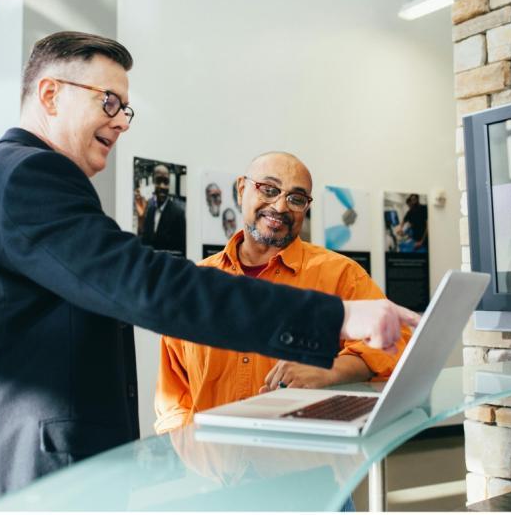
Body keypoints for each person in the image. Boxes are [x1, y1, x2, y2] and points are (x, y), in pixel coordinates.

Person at [0, 31, 419, 511]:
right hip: (12, 479)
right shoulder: (29, 176)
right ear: (49, 95)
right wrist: (334, 319)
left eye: (125, 109)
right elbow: (148, 286)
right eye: (108, 101)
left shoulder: (14, 178)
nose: (121, 121)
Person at [154, 152, 412, 434]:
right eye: (269, 189)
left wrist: (329, 370)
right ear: (242, 189)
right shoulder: (196, 285)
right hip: (215, 468)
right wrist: (191, 457)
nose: (280, 206)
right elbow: (173, 397)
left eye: (296, 198)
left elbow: (397, 344)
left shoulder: (341, 275)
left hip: (305, 463)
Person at [135, 163, 186, 256]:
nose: (162, 186)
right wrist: (141, 219)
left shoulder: (178, 213)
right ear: (153, 183)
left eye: (166, 182)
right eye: (158, 181)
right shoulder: (150, 210)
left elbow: (182, 252)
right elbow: (143, 244)